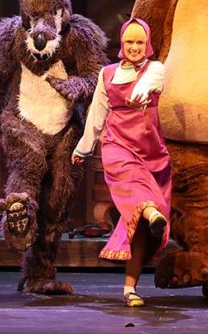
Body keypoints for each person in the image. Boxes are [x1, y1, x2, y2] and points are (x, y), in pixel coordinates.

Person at [72, 18, 170, 307]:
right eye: (130, 42)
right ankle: (152, 213)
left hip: (151, 152)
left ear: (147, 44)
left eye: (140, 42)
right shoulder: (107, 74)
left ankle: (130, 288)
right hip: (118, 146)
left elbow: (151, 84)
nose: (135, 47)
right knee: (138, 196)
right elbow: (97, 113)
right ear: (122, 43)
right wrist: (84, 148)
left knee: (137, 226)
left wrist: (141, 94)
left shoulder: (155, 68)